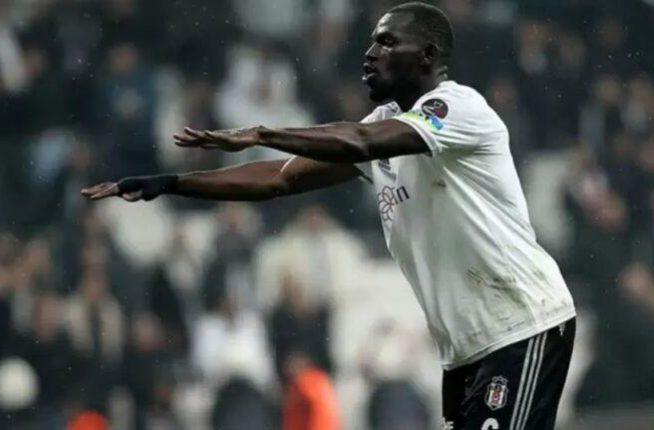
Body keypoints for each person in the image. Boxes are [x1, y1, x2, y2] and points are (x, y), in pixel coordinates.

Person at [82, 2, 576, 428]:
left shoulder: (458, 108)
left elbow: (359, 141)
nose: (370, 53)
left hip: (521, 323)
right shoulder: (384, 127)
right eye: (371, 42)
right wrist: (172, 183)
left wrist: (262, 132)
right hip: (466, 350)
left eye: (387, 42)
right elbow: (279, 179)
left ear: (428, 55)